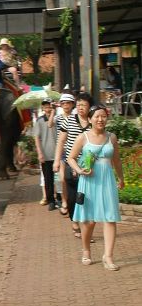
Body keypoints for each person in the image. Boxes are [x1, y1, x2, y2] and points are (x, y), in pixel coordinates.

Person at [67, 103, 124, 269]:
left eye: (103, 116)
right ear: (90, 119)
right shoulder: (83, 137)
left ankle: (108, 256)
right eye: (97, 116)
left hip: (107, 181)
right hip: (88, 181)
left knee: (110, 218)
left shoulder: (111, 137)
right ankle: (86, 250)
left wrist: (120, 178)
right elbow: (70, 157)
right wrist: (79, 170)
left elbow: (117, 160)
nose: (100, 119)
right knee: (88, 221)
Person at [54, 90, 93, 238]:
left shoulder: (93, 122)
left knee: (86, 197)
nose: (81, 107)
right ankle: (74, 221)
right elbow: (61, 141)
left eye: (84, 105)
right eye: (79, 105)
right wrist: (57, 160)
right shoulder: (69, 120)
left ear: (90, 107)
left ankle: (85, 230)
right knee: (72, 197)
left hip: (88, 166)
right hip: (72, 163)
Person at [32, 99, 58, 210]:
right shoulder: (39, 121)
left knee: (59, 178)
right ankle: (51, 200)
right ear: (42, 108)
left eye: (50, 106)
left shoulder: (57, 119)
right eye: (46, 107)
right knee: (48, 179)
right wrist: (40, 153)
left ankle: (60, 198)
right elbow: (36, 137)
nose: (48, 108)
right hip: (46, 154)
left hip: (57, 153)